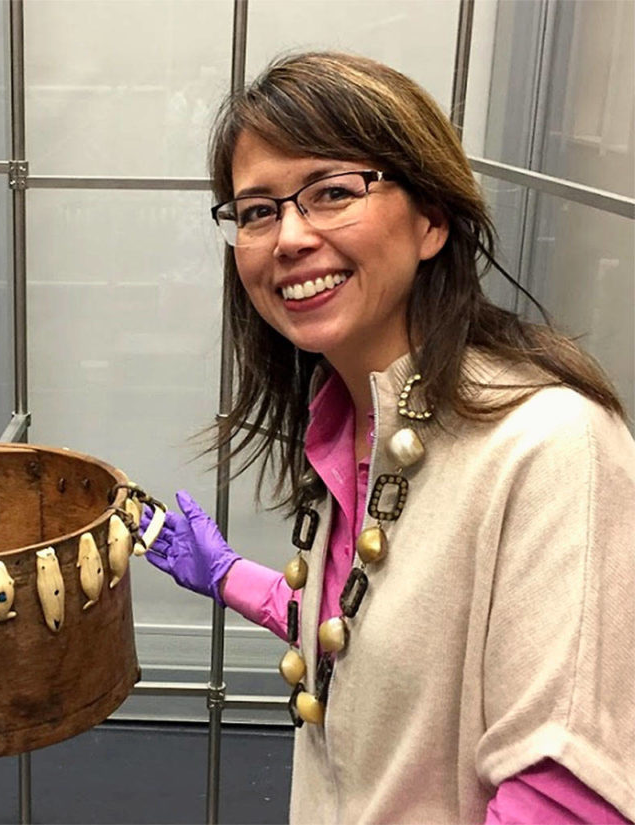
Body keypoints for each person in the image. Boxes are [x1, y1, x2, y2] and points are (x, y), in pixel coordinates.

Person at [141, 52, 635, 824]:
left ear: (433, 218)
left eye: (333, 192)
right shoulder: (350, 418)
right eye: (257, 211)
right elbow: (377, 631)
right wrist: (228, 574)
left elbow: (565, 797)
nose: (289, 237)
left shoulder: (550, 445)